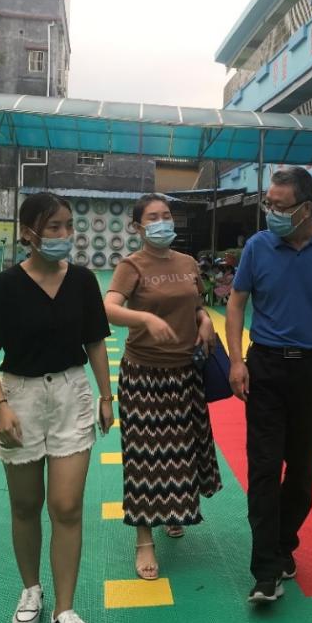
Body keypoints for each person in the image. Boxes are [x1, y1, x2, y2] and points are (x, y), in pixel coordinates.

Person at [0, 191, 112, 623]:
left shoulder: (84, 281)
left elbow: (95, 342)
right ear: (28, 232)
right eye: (54, 227)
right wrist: (0, 405)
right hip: (21, 397)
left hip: (72, 395)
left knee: (67, 506)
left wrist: (106, 396)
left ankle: (63, 614)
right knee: (26, 504)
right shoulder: (4, 286)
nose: (64, 234)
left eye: (68, 225)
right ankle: (31, 588)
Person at [226, 167, 312, 605]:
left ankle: (284, 544)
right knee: (264, 469)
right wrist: (236, 360)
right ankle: (266, 571)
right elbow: (236, 303)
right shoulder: (257, 246)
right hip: (265, 367)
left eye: (280, 206)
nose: (272, 212)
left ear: (306, 208)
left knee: (302, 473)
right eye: (268, 203)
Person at [103, 194, 223, 581]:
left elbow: (195, 304)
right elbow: (109, 307)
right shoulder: (131, 265)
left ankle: (173, 511)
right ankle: (144, 539)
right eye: (152, 217)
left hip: (185, 372)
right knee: (144, 456)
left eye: (166, 215)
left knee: (181, 451)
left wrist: (205, 320)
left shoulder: (187, 263)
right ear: (137, 227)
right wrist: (144, 319)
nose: (161, 222)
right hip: (144, 374)